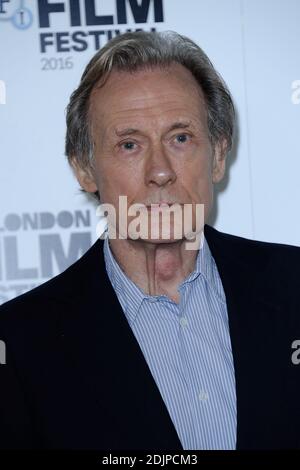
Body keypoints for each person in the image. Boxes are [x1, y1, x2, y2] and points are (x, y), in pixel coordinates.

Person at [0, 31, 300, 451]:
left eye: (180, 138)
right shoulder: (18, 345)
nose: (160, 171)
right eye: (129, 144)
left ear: (216, 154)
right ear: (84, 170)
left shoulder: (293, 287)